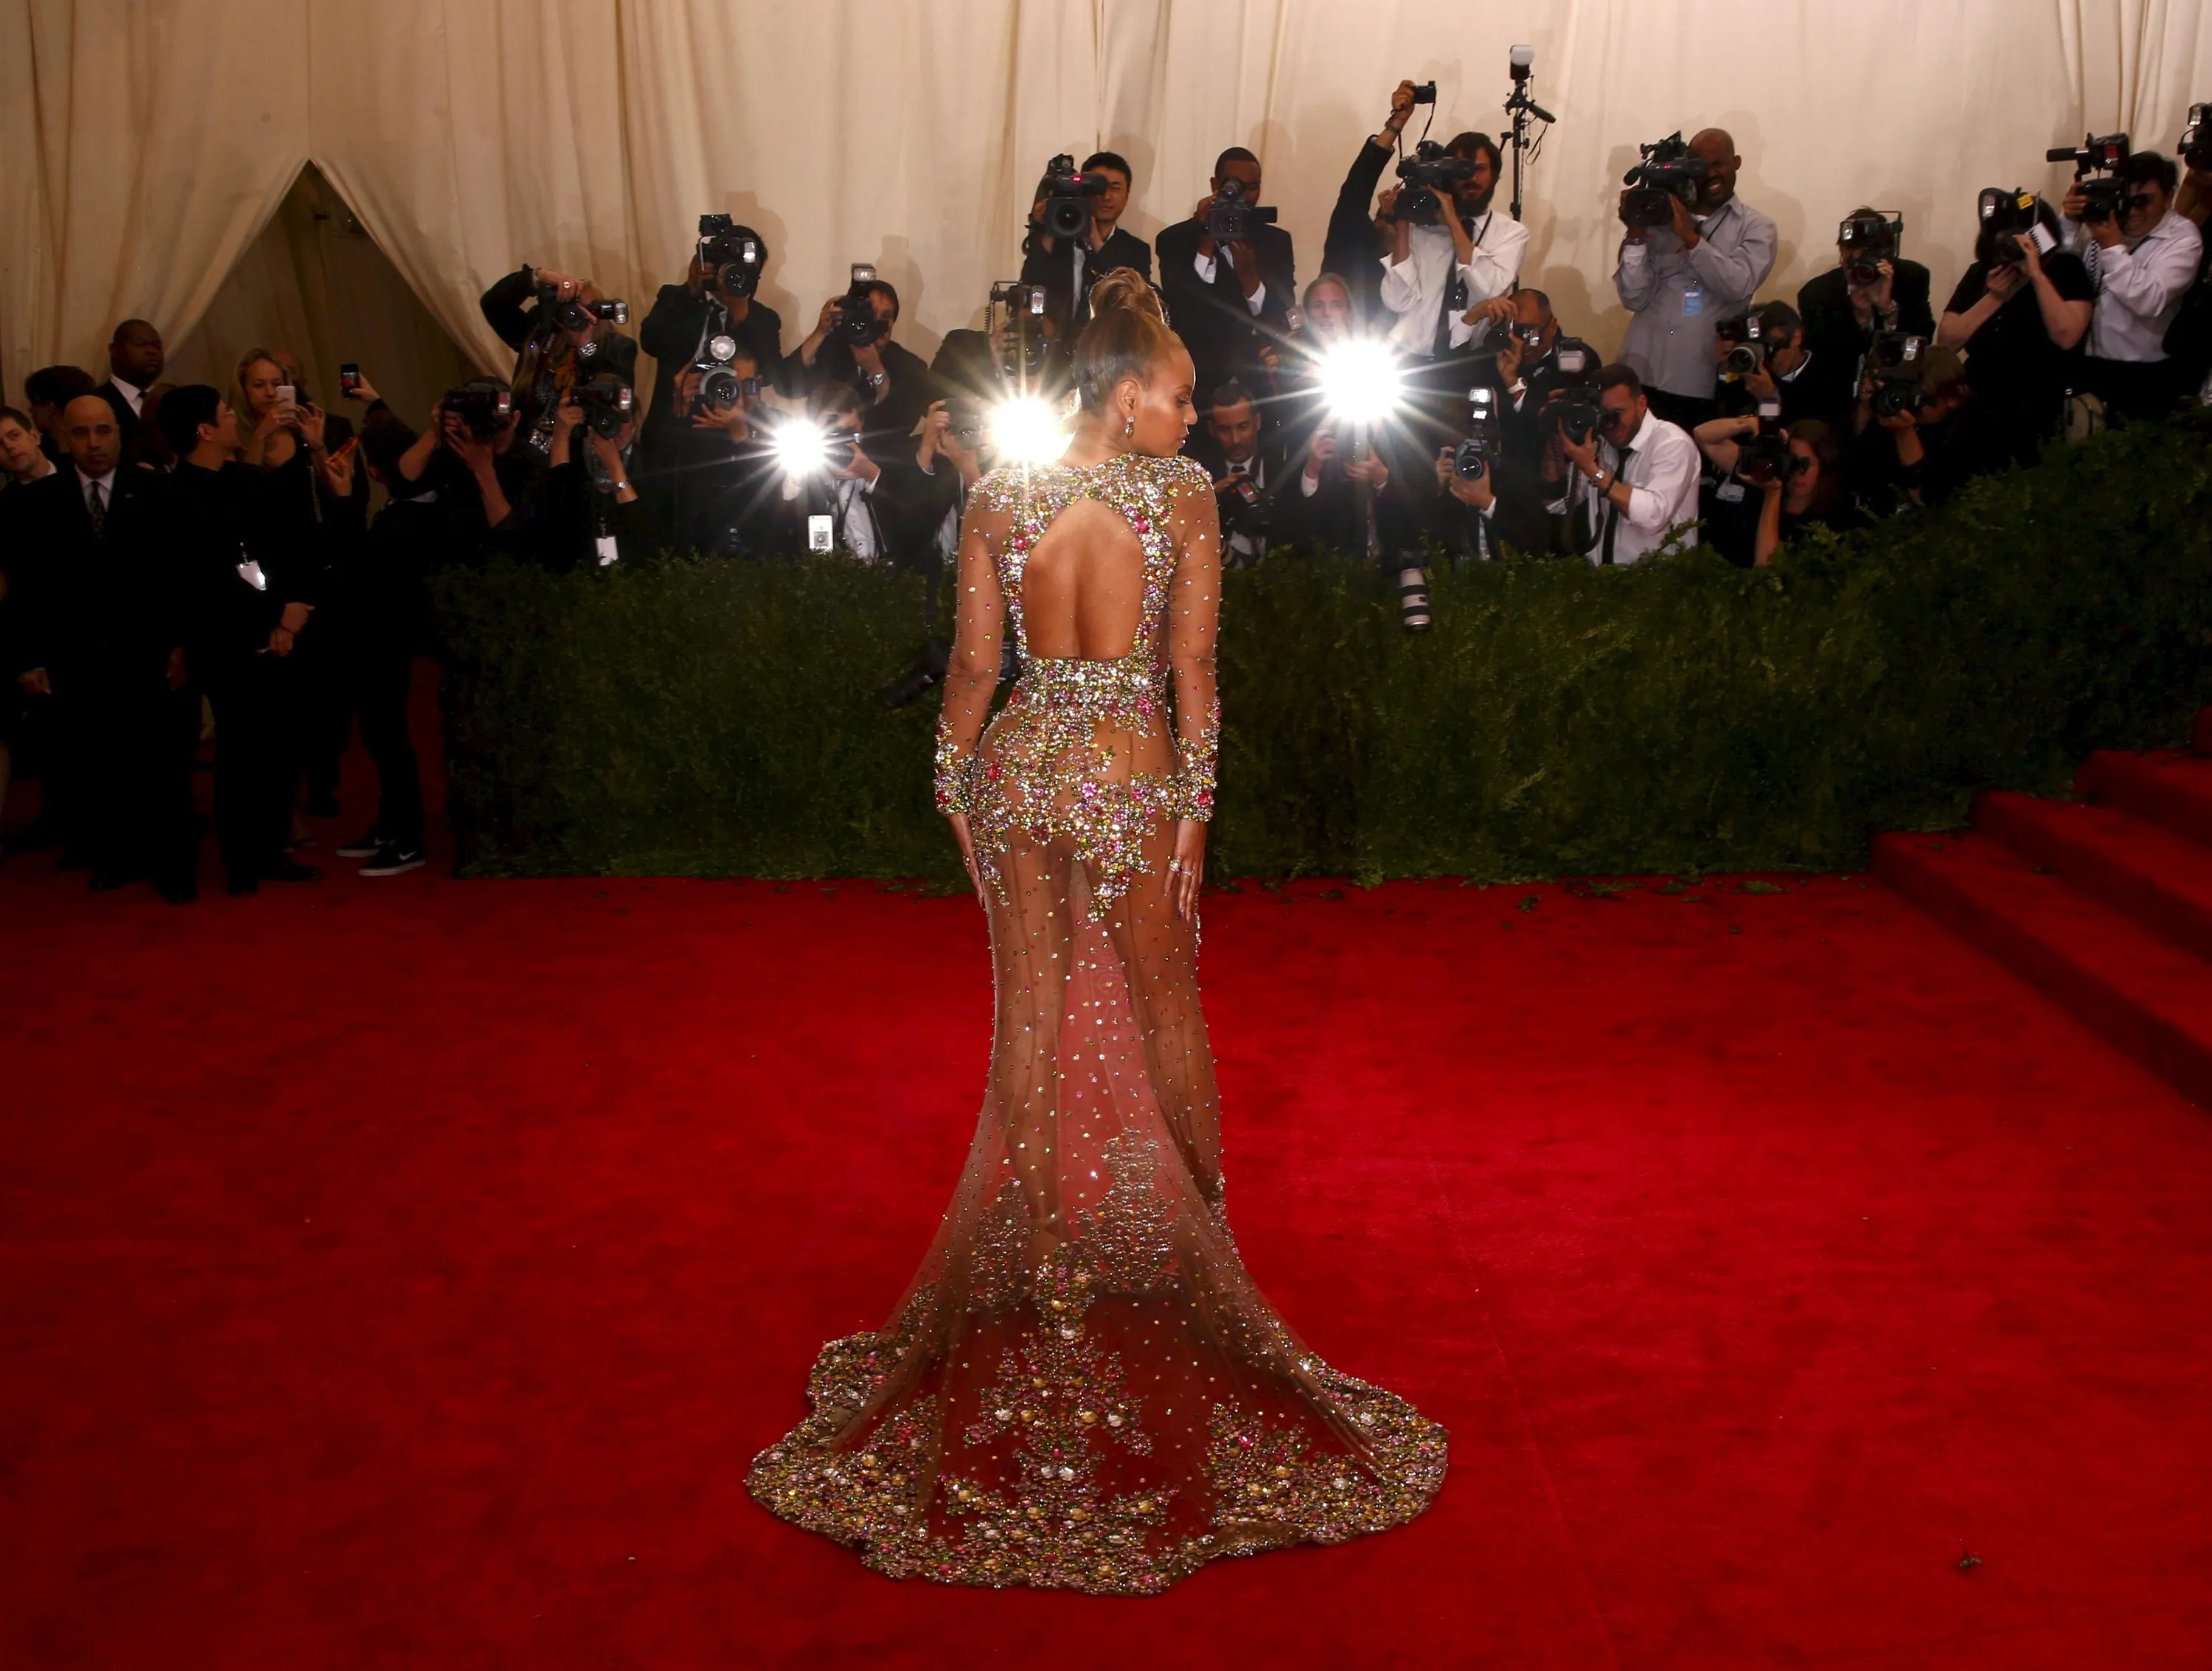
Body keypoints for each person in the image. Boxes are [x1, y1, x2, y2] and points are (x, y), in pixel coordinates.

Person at [748, 266, 1447, 1593]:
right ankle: (1204, 1271)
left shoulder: (999, 492)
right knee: (1169, 1010)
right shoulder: (1179, 495)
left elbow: (972, 669)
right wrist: (1196, 814)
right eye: (1179, 394)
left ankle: (1042, 1259)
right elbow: (1193, 670)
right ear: (1127, 398)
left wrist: (953, 786)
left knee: (1029, 1018)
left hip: (1020, 767)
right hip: (1128, 771)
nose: (1193, 412)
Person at [1, 395, 195, 897]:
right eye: (82, 433)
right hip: (77, 658)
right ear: (64, 439)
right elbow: (26, 589)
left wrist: (181, 646)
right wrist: (29, 659)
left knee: (162, 763)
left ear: (119, 434)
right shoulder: (38, 501)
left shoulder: (157, 491)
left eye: (103, 431)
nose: (93, 443)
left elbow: (181, 577)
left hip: (150, 653)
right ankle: (116, 856)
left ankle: (172, 865)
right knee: (97, 762)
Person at [157, 384, 320, 894]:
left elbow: (268, 554)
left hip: (263, 629)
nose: (235, 420)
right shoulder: (181, 495)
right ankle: (244, 860)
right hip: (224, 641)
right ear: (204, 430)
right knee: (242, 751)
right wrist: (277, 613)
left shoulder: (239, 479)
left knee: (275, 749)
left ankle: (267, 850)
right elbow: (220, 574)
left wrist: (283, 615)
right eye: (227, 414)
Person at [1613, 128, 1779, 429]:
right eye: (1701, 167)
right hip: (1640, 372)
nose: (1711, 174)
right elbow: (1633, 297)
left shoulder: (1757, 227)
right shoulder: (1658, 216)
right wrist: (1635, 234)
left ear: (1736, 162)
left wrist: (1691, 239)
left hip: (1697, 380)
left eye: (1719, 164)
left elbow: (1738, 285)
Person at [1936, 195, 2094, 465]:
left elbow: (2067, 336)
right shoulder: (1982, 273)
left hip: (2044, 406)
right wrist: (1995, 298)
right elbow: (1947, 342)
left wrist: (2036, 276)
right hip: (1981, 405)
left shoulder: (2066, 269)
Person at [635, 222, 785, 496]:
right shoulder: (676, 298)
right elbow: (650, 341)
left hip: (732, 439)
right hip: (674, 430)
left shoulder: (763, 318)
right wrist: (690, 291)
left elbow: (770, 375)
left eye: (746, 271)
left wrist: (741, 313)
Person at [2061, 150, 2205, 419]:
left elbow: (2149, 300)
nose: (2134, 211)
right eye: (2127, 200)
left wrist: (2112, 247)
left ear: (2169, 198)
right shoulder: (2108, 219)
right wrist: (2069, 221)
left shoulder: (2183, 238)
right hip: (2088, 363)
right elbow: (2062, 267)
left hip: (2144, 375)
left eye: (2144, 201)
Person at [1157, 147, 1298, 404]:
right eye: (1233, 186)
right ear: (1215, 185)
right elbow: (1182, 312)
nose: (1244, 196)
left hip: (1259, 386)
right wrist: (1205, 242)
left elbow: (1281, 316)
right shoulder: (1175, 241)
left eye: (1252, 187)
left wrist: (1250, 280)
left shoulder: (1276, 242)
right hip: (1198, 385)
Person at [478, 264, 641, 465]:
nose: (579, 316)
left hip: (576, 462)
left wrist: (585, 346)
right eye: (573, 308)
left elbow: (607, 398)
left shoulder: (617, 348)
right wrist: (538, 277)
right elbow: (493, 305)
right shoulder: (541, 335)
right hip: (523, 457)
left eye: (588, 309)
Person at [1548, 364, 1703, 565]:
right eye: (1604, 415)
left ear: (1642, 403)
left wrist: (1593, 471)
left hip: (1660, 577)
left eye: (1618, 412)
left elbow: (1654, 517)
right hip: (1604, 576)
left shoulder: (1672, 443)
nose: (1612, 424)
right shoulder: (1600, 443)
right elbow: (1556, 504)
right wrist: (1555, 435)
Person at [785, 274, 935, 462]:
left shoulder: (910, 366)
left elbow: (903, 425)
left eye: (885, 317)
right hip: (825, 451)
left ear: (893, 323)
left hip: (883, 461)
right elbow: (786, 385)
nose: (876, 323)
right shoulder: (831, 348)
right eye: (870, 314)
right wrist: (820, 332)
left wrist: (876, 371)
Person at [1692, 414, 1867, 566]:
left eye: (1805, 464)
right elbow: (1702, 435)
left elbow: (1769, 571)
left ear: (1824, 466)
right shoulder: (1766, 475)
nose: (1797, 472)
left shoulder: (1836, 518)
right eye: (1792, 462)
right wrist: (1751, 424)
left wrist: (1772, 495)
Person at [1795, 212, 1934, 400]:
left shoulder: (1911, 278)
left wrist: (1887, 309)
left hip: (1897, 391)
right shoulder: (1816, 294)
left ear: (1887, 257)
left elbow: (1922, 343)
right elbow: (1824, 363)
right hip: (1836, 396)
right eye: (1849, 263)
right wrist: (1861, 317)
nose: (1856, 271)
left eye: (1865, 262)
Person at [1321, 80, 1425, 324]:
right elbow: (1358, 185)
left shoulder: (1422, 256)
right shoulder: (1352, 242)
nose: (1400, 219)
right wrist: (1396, 124)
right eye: (1394, 211)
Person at [1020, 150, 1154, 334]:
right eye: (1098, 189)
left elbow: (1131, 299)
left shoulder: (1136, 250)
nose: (1106, 197)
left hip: (1107, 346)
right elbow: (1030, 286)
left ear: (1127, 195)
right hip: (1054, 347)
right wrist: (1048, 225)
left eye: (1115, 188)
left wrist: (1096, 241)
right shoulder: (1054, 241)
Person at [1187, 378, 1287, 566]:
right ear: (1212, 430)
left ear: (1257, 422)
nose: (1235, 440)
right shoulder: (1196, 478)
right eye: (1225, 430)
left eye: (1243, 427)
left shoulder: (1284, 469)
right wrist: (1209, 495)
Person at [96, 319, 167, 464]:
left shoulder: (173, 401)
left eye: (157, 346)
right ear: (114, 350)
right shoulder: (96, 402)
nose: (152, 352)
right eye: (140, 345)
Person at [24, 366, 98, 471]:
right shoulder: (38, 450)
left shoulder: (92, 455)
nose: (30, 409)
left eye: (34, 402)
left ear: (50, 407)